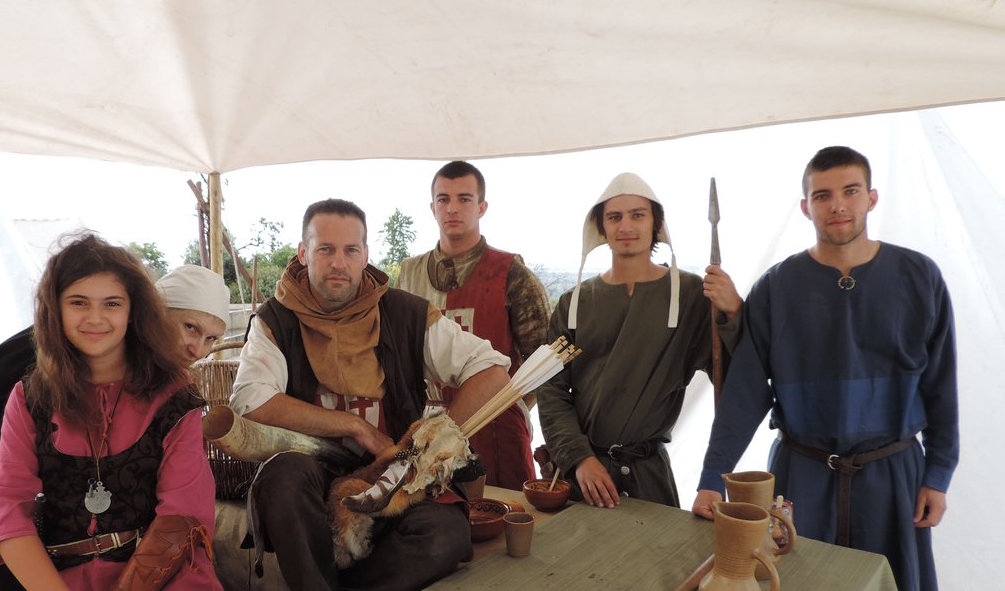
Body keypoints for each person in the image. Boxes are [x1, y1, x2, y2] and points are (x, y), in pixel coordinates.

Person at [0, 262, 232, 591]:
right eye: (189, 327)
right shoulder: (51, 359)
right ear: (151, 313)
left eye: (211, 339)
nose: (197, 349)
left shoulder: (172, 393)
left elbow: (183, 512)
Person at [692, 146, 958, 591]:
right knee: (799, 580)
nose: (837, 205)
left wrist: (938, 474)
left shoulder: (919, 276)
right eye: (822, 195)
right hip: (803, 474)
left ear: (871, 198)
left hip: (892, 475)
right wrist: (711, 477)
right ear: (805, 207)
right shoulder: (777, 286)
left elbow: (941, 387)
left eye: (850, 191)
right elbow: (745, 394)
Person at [229, 198, 512, 591]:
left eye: (350, 250)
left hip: (394, 474)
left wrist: (430, 444)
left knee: (444, 534)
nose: (338, 263)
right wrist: (354, 426)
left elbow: (491, 369)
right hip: (314, 477)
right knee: (283, 477)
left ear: (365, 255)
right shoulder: (276, 320)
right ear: (303, 253)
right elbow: (249, 400)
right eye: (325, 249)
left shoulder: (406, 314)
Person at [0, 234, 223, 590]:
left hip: (167, 578)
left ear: (132, 311)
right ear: (55, 309)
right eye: (79, 302)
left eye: (111, 304)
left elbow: (182, 514)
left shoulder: (174, 397)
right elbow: (7, 510)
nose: (95, 318)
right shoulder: (30, 399)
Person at [537, 172, 742, 509]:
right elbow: (551, 390)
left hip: (649, 475)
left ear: (655, 223)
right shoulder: (574, 303)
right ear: (601, 226)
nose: (626, 226)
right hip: (586, 477)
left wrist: (734, 314)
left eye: (637, 215)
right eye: (615, 217)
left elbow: (734, 379)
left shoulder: (690, 295)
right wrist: (578, 458)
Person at [397, 160, 550, 490]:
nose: (452, 208)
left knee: (503, 512)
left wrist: (506, 405)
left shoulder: (513, 274)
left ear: (482, 207)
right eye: (443, 199)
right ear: (432, 207)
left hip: (497, 426)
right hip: (426, 428)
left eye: (464, 198)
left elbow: (542, 361)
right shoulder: (408, 276)